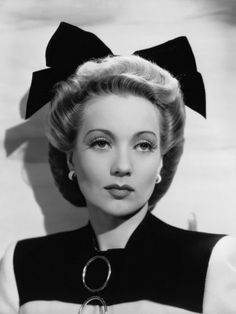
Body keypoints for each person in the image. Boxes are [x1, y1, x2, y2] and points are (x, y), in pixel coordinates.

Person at [0, 22, 236, 314]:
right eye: (101, 143)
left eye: (144, 145)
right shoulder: (21, 265)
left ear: (163, 159)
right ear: (71, 158)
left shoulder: (213, 262)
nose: (123, 167)